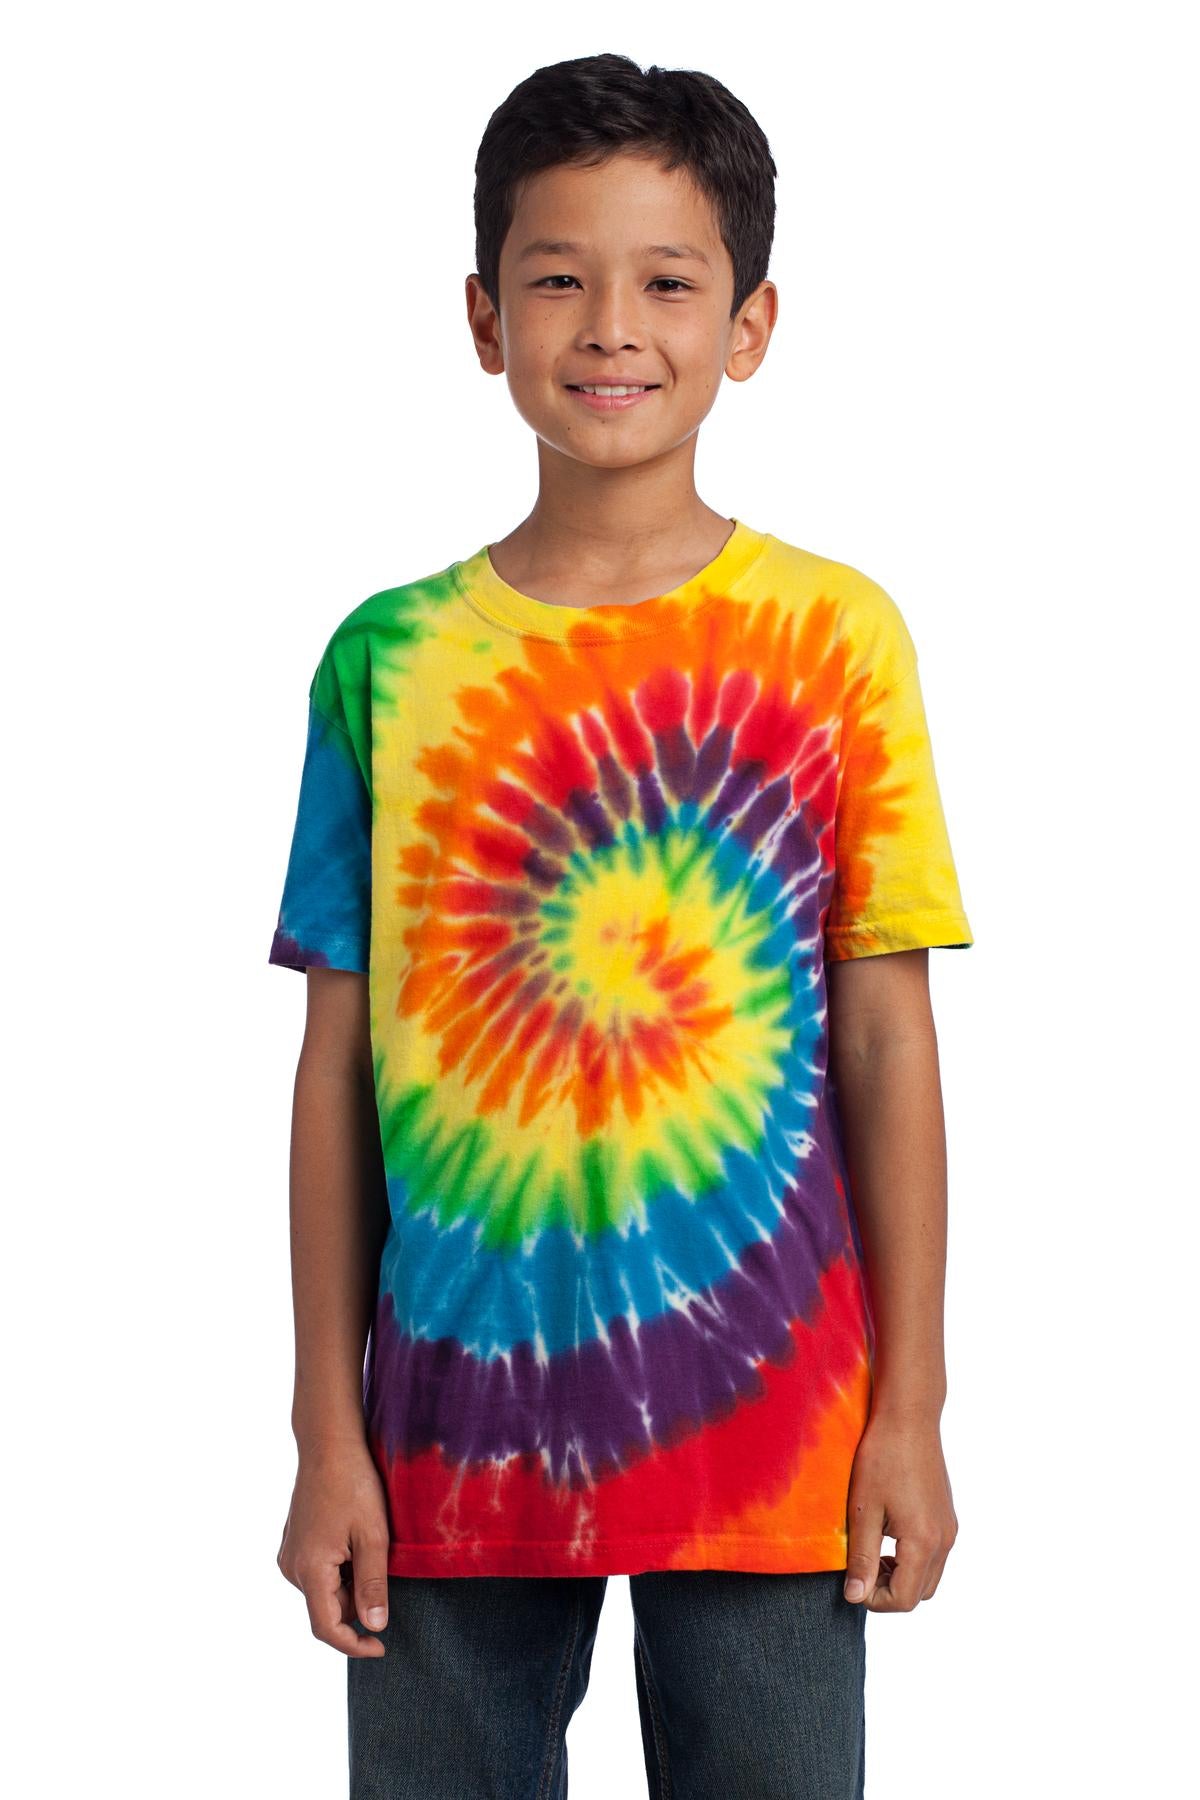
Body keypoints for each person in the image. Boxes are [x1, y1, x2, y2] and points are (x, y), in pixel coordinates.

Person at [268, 51, 974, 1800]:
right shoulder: (388, 660)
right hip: (448, 1445)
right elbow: (337, 1066)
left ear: (750, 324)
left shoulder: (834, 640)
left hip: (776, 1443)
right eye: (557, 279)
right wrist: (324, 1432)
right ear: (482, 317)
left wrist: (913, 1411)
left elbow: (887, 1039)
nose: (609, 328)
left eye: (667, 282)